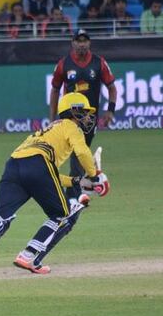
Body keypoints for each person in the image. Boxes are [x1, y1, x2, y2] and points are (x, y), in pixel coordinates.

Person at [0, 92, 108, 277]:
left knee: (0, 215)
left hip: (14, 164)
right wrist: (95, 176)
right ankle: (29, 256)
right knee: (63, 215)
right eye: (85, 112)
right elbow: (82, 152)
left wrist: (77, 181)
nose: (88, 117)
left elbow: (48, 174)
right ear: (74, 111)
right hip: (39, 164)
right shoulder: (70, 126)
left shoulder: (48, 131)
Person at [49, 30, 117, 202]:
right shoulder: (64, 64)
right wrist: (52, 117)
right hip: (69, 118)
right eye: (78, 41)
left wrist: (110, 110)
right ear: (72, 43)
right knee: (73, 152)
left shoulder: (98, 63)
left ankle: (72, 192)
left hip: (89, 118)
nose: (82, 44)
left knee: (80, 153)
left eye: (85, 41)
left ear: (89, 43)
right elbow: (55, 90)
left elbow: (112, 87)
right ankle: (72, 193)